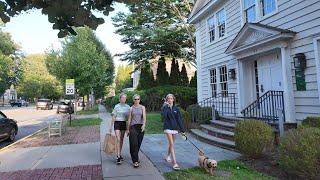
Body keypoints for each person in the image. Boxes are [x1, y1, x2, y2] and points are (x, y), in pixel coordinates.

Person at [161, 94, 185, 170]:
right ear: (167, 100)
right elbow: (163, 116)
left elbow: (179, 119)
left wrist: (182, 130)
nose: (170, 100)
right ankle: (175, 163)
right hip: (167, 127)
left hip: (175, 128)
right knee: (171, 144)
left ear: (173, 100)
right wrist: (166, 107)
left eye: (171, 98)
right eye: (168, 98)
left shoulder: (176, 109)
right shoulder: (165, 108)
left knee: (172, 144)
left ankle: (167, 156)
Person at [110, 93, 130, 164]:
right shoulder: (116, 106)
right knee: (118, 139)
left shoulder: (128, 107)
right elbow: (113, 116)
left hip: (123, 123)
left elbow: (129, 118)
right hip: (117, 123)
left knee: (121, 140)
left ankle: (119, 153)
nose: (123, 99)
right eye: (122, 98)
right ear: (120, 99)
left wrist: (128, 128)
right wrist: (110, 127)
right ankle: (118, 156)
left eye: (125, 98)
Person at [127, 94, 146, 168]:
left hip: (140, 126)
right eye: (135, 99)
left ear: (140, 100)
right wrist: (128, 129)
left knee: (138, 143)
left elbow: (144, 117)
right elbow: (129, 119)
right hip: (133, 127)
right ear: (133, 100)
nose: (136, 100)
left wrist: (144, 125)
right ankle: (135, 161)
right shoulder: (131, 108)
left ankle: (134, 155)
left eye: (138, 99)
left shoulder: (142, 107)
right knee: (134, 143)